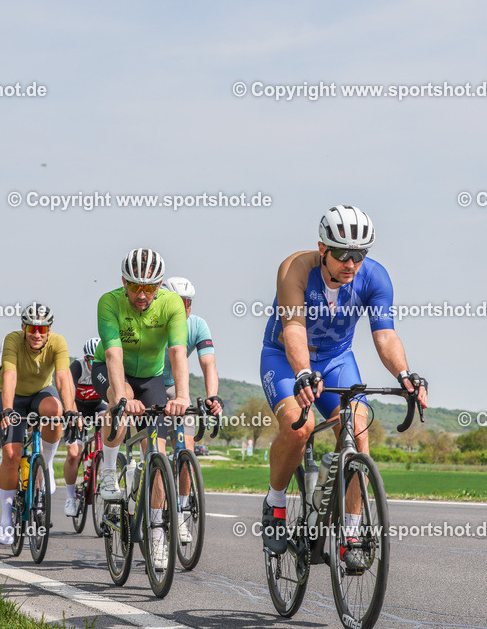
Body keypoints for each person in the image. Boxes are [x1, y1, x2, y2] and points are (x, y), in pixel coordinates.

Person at [259, 205, 428, 568]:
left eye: (359, 254)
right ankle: (274, 503)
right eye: (341, 254)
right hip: (287, 358)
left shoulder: (376, 278)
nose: (350, 263)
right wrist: (303, 371)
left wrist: (404, 375)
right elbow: (293, 328)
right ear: (322, 249)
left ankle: (350, 533)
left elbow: (385, 335)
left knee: (358, 427)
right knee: (299, 426)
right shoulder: (295, 269)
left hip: (336, 359)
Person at [87, 248, 190, 570]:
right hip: (110, 368)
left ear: (159, 284)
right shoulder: (110, 301)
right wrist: (121, 398)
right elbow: (114, 354)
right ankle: (107, 470)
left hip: (152, 377)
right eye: (135, 287)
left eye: (150, 288)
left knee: (156, 453)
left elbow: (177, 350)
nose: (143, 295)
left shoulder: (171, 304)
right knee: (119, 410)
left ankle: (157, 534)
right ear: (123, 281)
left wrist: (183, 397)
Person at [0, 302, 78, 545]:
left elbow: (63, 378)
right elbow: (9, 375)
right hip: (14, 397)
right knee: (11, 455)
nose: (37, 333)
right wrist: (8, 408)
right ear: (24, 327)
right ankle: (6, 518)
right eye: (32, 328)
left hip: (41, 392)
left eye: (43, 329)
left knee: (55, 410)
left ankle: (47, 465)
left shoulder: (57, 343)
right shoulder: (12, 340)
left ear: (49, 330)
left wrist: (71, 410)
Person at [161, 276, 223, 544]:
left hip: (176, 388)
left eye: (188, 303)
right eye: (179, 302)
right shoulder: (155, 322)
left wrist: (212, 397)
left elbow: (208, 364)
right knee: (158, 447)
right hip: (150, 385)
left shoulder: (197, 325)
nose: (185, 307)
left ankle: (182, 510)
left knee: (185, 446)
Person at [62, 337, 109, 517]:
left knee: (108, 423)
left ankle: (102, 468)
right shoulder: (77, 367)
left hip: (97, 407)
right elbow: (68, 394)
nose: (94, 364)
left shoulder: (106, 368)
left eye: (98, 360)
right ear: (85, 358)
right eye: (91, 359)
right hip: (77, 408)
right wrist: (74, 414)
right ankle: (70, 496)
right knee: (74, 454)